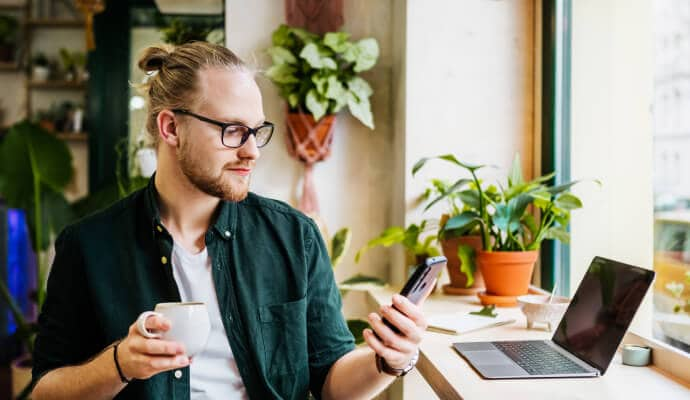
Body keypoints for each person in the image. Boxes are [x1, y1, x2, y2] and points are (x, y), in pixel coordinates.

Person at [30, 42, 429, 400]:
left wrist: (388, 360)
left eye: (256, 131)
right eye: (234, 131)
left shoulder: (294, 237)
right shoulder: (88, 246)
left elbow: (332, 382)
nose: (252, 151)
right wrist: (118, 364)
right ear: (171, 128)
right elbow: (43, 392)